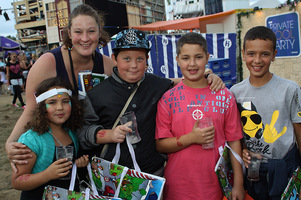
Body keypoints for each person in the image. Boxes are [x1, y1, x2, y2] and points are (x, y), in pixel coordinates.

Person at [78, 29, 225, 176]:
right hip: (113, 177)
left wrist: (207, 75)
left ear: (147, 58)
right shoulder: (96, 95)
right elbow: (83, 133)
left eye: (140, 59)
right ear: (114, 59)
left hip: (153, 174)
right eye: (126, 59)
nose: (134, 65)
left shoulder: (157, 85)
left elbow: (185, 82)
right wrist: (109, 134)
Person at [5, 4, 115, 172]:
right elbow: (31, 108)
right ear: (69, 34)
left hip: (94, 150)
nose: (85, 38)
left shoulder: (107, 65)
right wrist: (11, 142)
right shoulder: (48, 63)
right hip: (57, 150)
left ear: (99, 33)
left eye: (91, 31)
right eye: (78, 32)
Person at [155, 32, 245, 200]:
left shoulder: (224, 96)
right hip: (177, 187)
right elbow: (160, 145)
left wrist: (238, 184)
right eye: (185, 58)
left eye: (198, 57)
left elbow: (234, 140)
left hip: (216, 186)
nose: (192, 64)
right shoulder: (168, 98)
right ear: (177, 60)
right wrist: (191, 138)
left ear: (207, 57)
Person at [230, 26, 301, 200]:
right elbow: (236, 134)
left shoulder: (290, 90)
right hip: (252, 172)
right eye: (252, 53)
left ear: (274, 54)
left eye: (265, 54)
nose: (257, 60)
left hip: (285, 169)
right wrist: (245, 150)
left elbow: (299, 135)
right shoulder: (235, 92)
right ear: (244, 53)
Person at [11, 77, 89, 199]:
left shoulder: (72, 132)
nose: (60, 107)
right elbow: (17, 181)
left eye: (65, 101)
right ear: (41, 107)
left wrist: (77, 164)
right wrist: (47, 175)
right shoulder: (31, 140)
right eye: (52, 102)